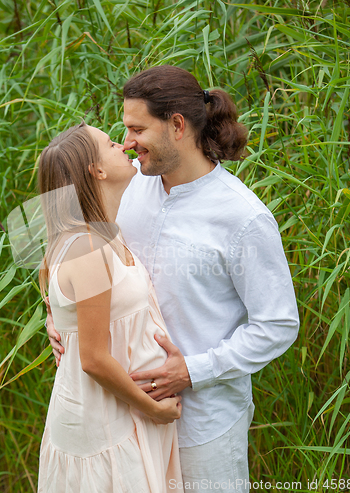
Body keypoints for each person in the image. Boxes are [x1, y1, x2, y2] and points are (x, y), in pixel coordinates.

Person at [47, 65, 300, 492]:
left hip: (203, 428)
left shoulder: (243, 217)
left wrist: (193, 371)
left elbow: (278, 325)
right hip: (126, 421)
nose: (126, 143)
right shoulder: (127, 188)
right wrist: (57, 315)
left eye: (136, 129)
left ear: (177, 126)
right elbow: (61, 242)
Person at [36, 122, 183, 492]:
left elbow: (56, 290)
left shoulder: (98, 232)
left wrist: (55, 317)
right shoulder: (88, 245)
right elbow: (93, 359)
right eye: (111, 143)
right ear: (97, 171)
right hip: (105, 422)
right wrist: (153, 409)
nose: (125, 145)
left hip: (120, 413)